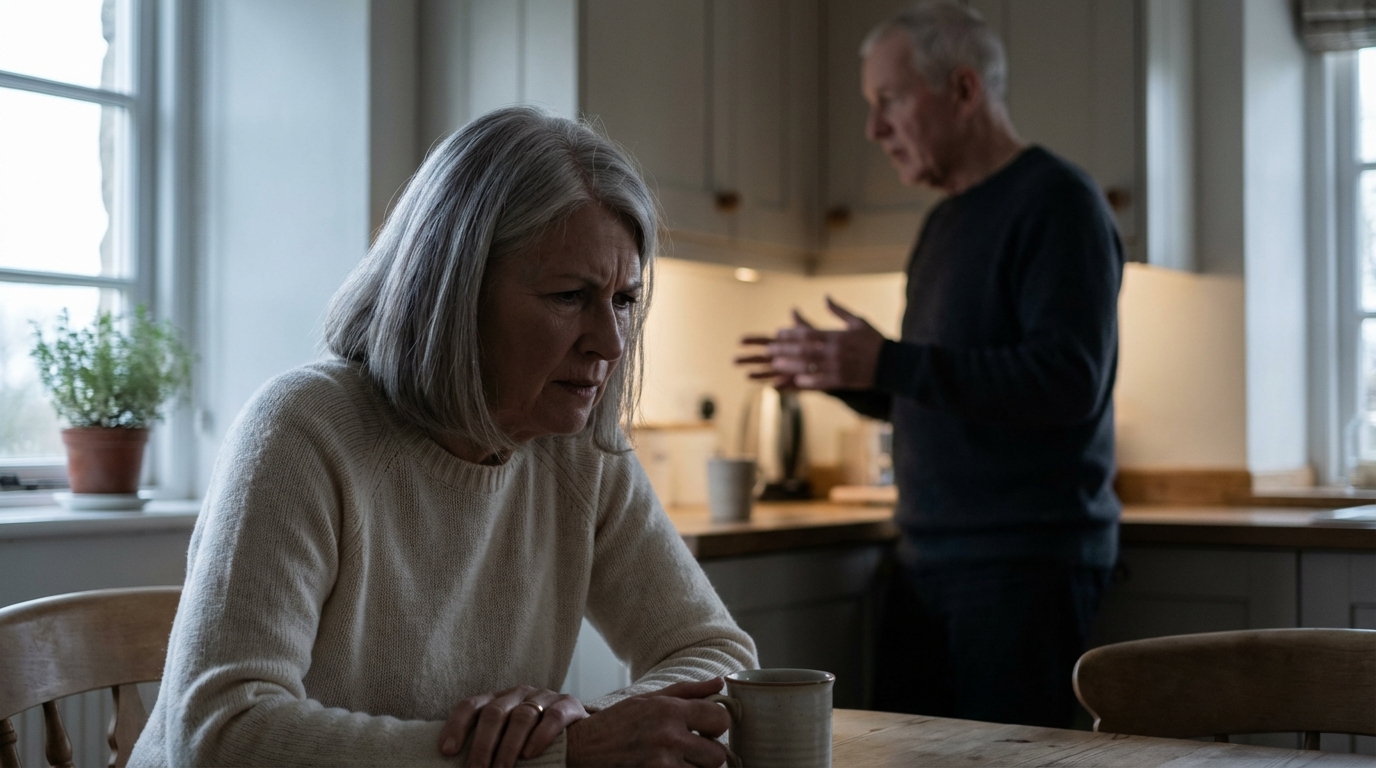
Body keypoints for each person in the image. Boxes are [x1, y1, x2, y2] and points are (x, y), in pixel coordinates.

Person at [130, 105, 757, 768]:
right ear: (454, 292)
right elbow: (223, 735)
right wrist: (557, 756)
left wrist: (586, 729)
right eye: (570, 296)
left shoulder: (576, 450)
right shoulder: (301, 432)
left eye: (624, 300)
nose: (609, 341)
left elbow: (716, 651)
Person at [738, 1, 1121, 728]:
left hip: (1024, 565)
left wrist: (887, 360)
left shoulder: (1058, 202)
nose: (874, 129)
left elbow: (1066, 382)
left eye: (890, 100)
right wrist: (852, 373)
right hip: (927, 557)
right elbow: (937, 391)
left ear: (964, 90)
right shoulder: (943, 221)